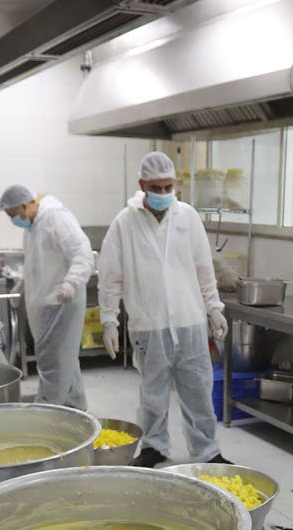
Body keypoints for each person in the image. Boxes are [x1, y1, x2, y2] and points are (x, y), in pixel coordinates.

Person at [98, 151, 231, 467]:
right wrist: (109, 321)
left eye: (167, 187)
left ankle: (208, 450)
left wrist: (214, 308)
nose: (162, 194)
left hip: (189, 321)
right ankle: (154, 446)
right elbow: (110, 275)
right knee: (152, 395)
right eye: (155, 188)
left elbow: (203, 267)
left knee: (199, 391)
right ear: (142, 184)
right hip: (148, 324)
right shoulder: (124, 223)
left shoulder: (187, 217)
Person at [0, 184, 94, 410]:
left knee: (52, 361)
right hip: (46, 301)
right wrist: (22, 284)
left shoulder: (55, 218)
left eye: (13, 215)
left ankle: (46, 413)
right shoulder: (32, 227)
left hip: (60, 301)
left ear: (23, 206)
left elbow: (82, 252)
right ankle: (76, 408)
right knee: (65, 360)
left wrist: (71, 283)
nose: (14, 220)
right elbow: (36, 263)